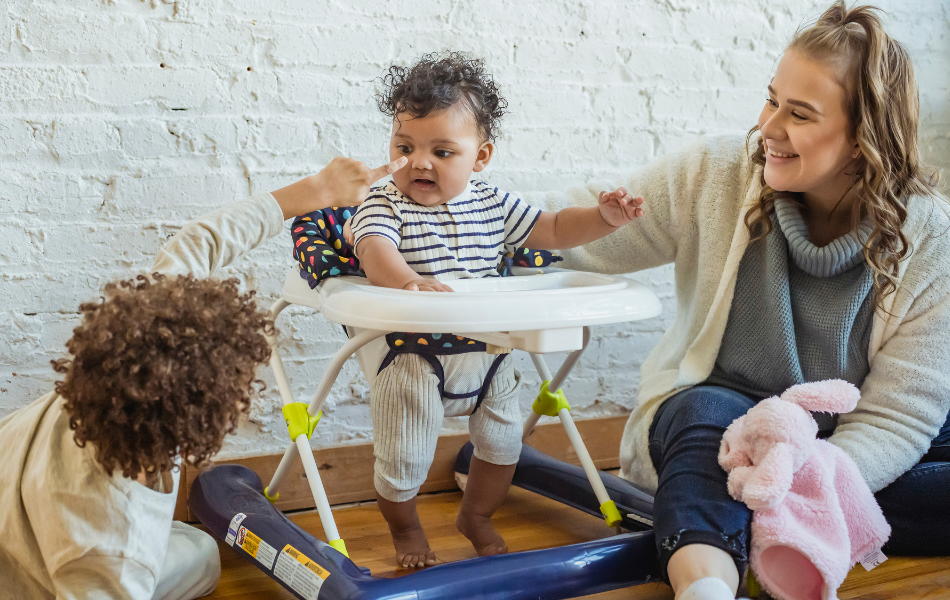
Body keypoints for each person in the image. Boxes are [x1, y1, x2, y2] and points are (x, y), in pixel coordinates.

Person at [526, 3, 950, 599]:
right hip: (716, 423)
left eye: (799, 114)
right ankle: (712, 582)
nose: (769, 126)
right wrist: (439, 221)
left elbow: (899, 417)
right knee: (708, 423)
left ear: (864, 140)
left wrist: (800, 476)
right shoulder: (717, 172)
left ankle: (751, 518)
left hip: (842, 441)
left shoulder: (932, 237)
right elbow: (571, 231)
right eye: (771, 98)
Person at [294, 51, 644, 569]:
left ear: (479, 157)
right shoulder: (382, 203)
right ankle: (408, 529)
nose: (419, 162)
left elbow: (550, 228)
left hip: (491, 349)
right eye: (404, 146)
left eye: (442, 150)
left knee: (503, 450)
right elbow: (374, 251)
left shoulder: (492, 203)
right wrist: (411, 283)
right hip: (411, 356)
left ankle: (476, 516)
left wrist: (602, 217)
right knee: (403, 462)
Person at [0, 155, 405, 600]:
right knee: (202, 555)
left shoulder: (112, 381)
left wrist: (319, 190)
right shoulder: (115, 553)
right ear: (195, 420)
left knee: (189, 543)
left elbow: (202, 241)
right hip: (30, 574)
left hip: (19, 485)